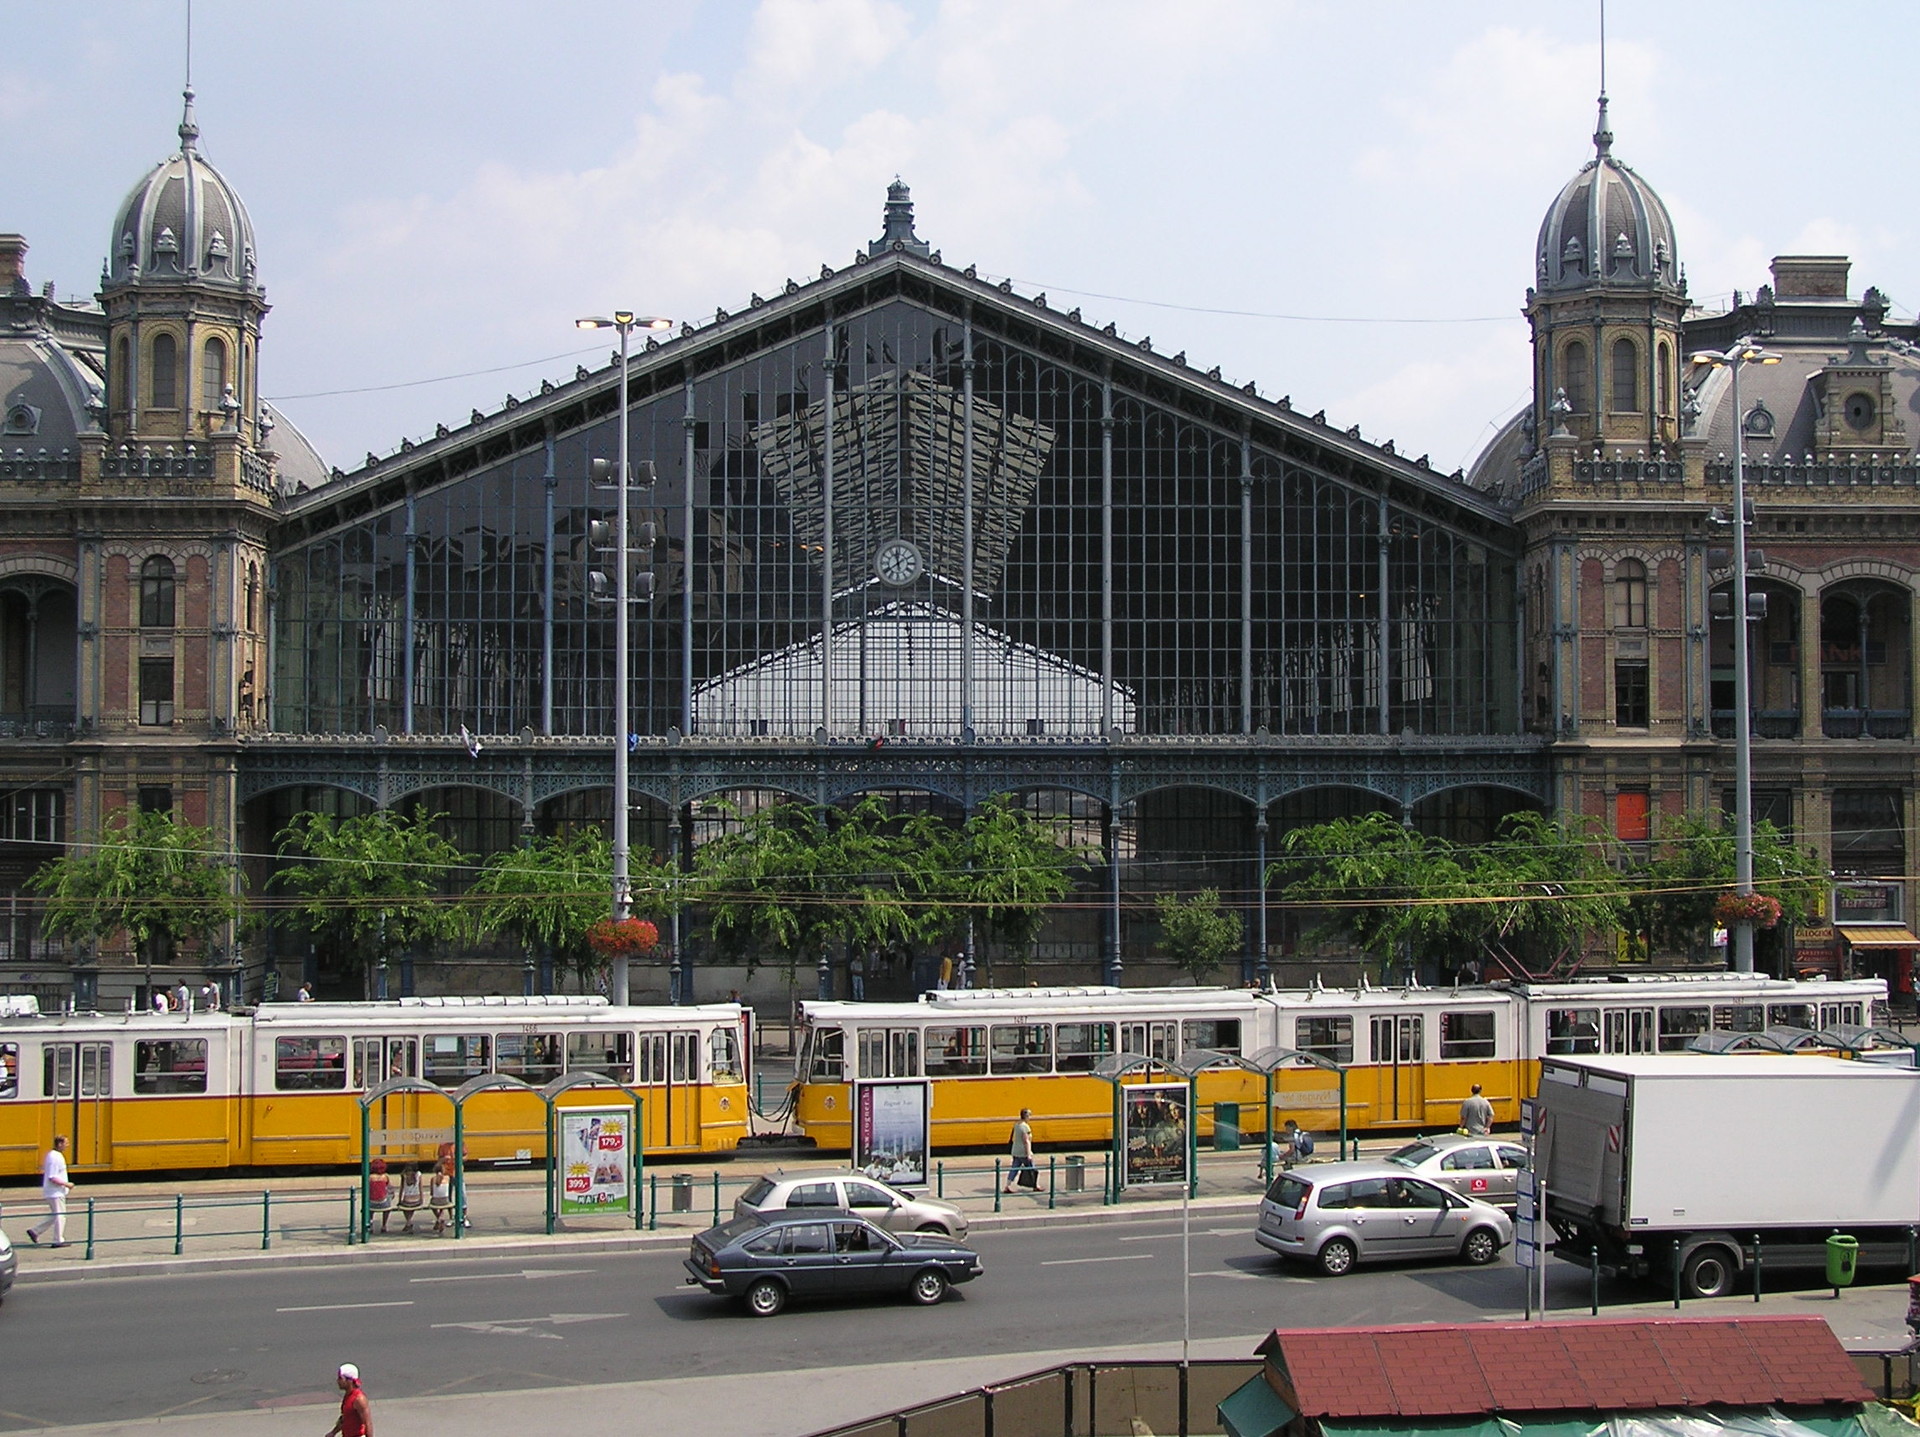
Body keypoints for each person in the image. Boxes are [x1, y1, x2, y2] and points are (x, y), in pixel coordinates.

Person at [27, 1134, 72, 1247]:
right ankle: (58, 1240)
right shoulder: (55, 1157)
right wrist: (67, 1184)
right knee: (60, 1216)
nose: (68, 1145)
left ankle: (35, 1231)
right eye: (66, 1143)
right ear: (60, 1144)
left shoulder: (54, 1155)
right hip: (55, 1192)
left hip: (55, 1191)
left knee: (55, 1215)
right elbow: (52, 1177)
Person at [326, 1363, 372, 1437]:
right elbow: (344, 1419)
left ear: (349, 1380)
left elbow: (367, 1423)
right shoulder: (348, 1396)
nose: (338, 1381)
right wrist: (333, 1432)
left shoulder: (359, 1399)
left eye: (340, 1378)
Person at [1004, 1108, 1036, 1192]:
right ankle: (1035, 1185)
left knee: (1014, 1168)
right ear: (1026, 1116)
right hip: (1023, 1152)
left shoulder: (1017, 1124)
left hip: (1015, 1150)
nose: (1030, 1117)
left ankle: (1008, 1185)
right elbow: (1026, 1141)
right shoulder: (1025, 1127)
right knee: (1032, 1169)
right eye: (1029, 1115)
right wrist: (1028, 1154)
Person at [429, 1157, 455, 1234]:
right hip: (445, 1201)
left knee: (433, 1203)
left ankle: (438, 1218)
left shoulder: (433, 1179)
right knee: (443, 1202)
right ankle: (441, 1218)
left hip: (436, 1201)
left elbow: (432, 1193)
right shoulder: (447, 1178)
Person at [367, 1158, 394, 1233]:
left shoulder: (370, 1177)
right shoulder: (385, 1177)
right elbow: (390, 1188)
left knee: (370, 1210)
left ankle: (370, 1224)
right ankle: (384, 1225)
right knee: (387, 1205)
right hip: (383, 1203)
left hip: (372, 1203)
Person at [396, 1163, 424, 1234]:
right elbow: (421, 1188)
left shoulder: (404, 1175)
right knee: (411, 1208)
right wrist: (421, 1199)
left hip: (407, 1201)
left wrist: (399, 1200)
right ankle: (409, 1222)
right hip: (416, 1200)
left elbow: (401, 1189)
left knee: (405, 1207)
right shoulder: (419, 1174)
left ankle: (408, 1223)